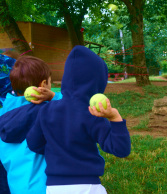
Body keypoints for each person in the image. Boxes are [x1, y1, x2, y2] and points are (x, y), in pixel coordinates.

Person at [27, 45, 131, 194]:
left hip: (54, 187)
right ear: (98, 82)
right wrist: (115, 118)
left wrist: (56, 147)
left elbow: (33, 143)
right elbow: (121, 149)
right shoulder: (92, 113)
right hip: (88, 187)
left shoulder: (46, 110)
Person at [0, 55, 63, 194]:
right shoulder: (48, 111)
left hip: (16, 188)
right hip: (46, 187)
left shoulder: (2, 114)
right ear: (43, 85)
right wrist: (54, 96)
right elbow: (76, 107)